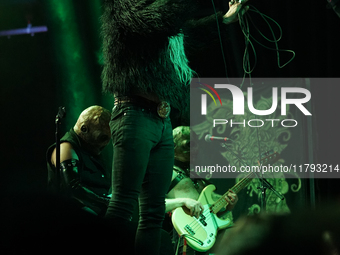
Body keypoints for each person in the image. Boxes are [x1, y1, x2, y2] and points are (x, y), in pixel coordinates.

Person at [100, 1, 247, 254]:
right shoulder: (124, 5)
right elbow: (158, 20)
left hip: (161, 117)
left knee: (153, 212)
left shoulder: (159, 14)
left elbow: (181, 36)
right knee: (123, 205)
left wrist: (222, 19)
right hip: (134, 113)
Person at [165, 126, 238, 255]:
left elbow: (207, 216)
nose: (195, 149)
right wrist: (183, 201)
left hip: (207, 236)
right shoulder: (165, 172)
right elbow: (152, 206)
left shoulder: (197, 177)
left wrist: (228, 207)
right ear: (173, 145)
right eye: (189, 144)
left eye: (196, 145)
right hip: (184, 237)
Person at [46, 105, 112, 217]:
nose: (106, 143)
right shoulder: (66, 148)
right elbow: (73, 188)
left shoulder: (90, 150)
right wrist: (106, 201)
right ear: (84, 129)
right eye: (102, 137)